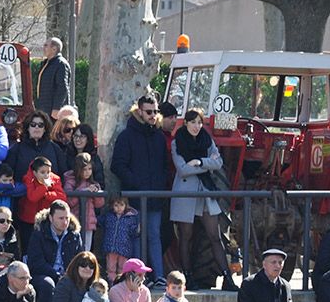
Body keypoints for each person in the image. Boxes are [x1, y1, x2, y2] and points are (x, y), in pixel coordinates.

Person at [171, 108, 233, 290]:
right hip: (186, 194)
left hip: (206, 192)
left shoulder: (207, 139)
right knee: (186, 237)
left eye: (199, 122)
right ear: (186, 123)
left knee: (215, 235)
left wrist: (199, 162)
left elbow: (218, 162)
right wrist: (208, 164)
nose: (197, 126)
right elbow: (182, 169)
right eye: (193, 122)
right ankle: (188, 277)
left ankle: (227, 278)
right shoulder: (178, 142)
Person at [110, 95, 169, 284]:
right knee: (136, 236)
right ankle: (137, 275)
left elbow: (163, 166)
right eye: (149, 112)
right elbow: (117, 165)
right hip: (134, 197)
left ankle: (158, 276)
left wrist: (159, 187)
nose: (153, 115)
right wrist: (137, 184)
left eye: (155, 111)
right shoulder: (126, 136)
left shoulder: (159, 137)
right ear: (140, 112)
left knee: (154, 235)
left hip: (154, 197)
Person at [62, 152, 103, 250]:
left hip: (88, 223)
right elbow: (69, 202)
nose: (87, 172)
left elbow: (99, 204)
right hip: (73, 223)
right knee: (73, 250)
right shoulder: (70, 181)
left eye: (89, 169)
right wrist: (83, 191)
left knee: (86, 249)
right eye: (84, 169)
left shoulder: (93, 183)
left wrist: (96, 193)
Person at [35, 37, 72, 115]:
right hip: (44, 108)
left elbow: (62, 88)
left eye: (46, 45)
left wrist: (57, 108)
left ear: (54, 49)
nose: (43, 48)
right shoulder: (46, 64)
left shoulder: (60, 64)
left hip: (53, 111)